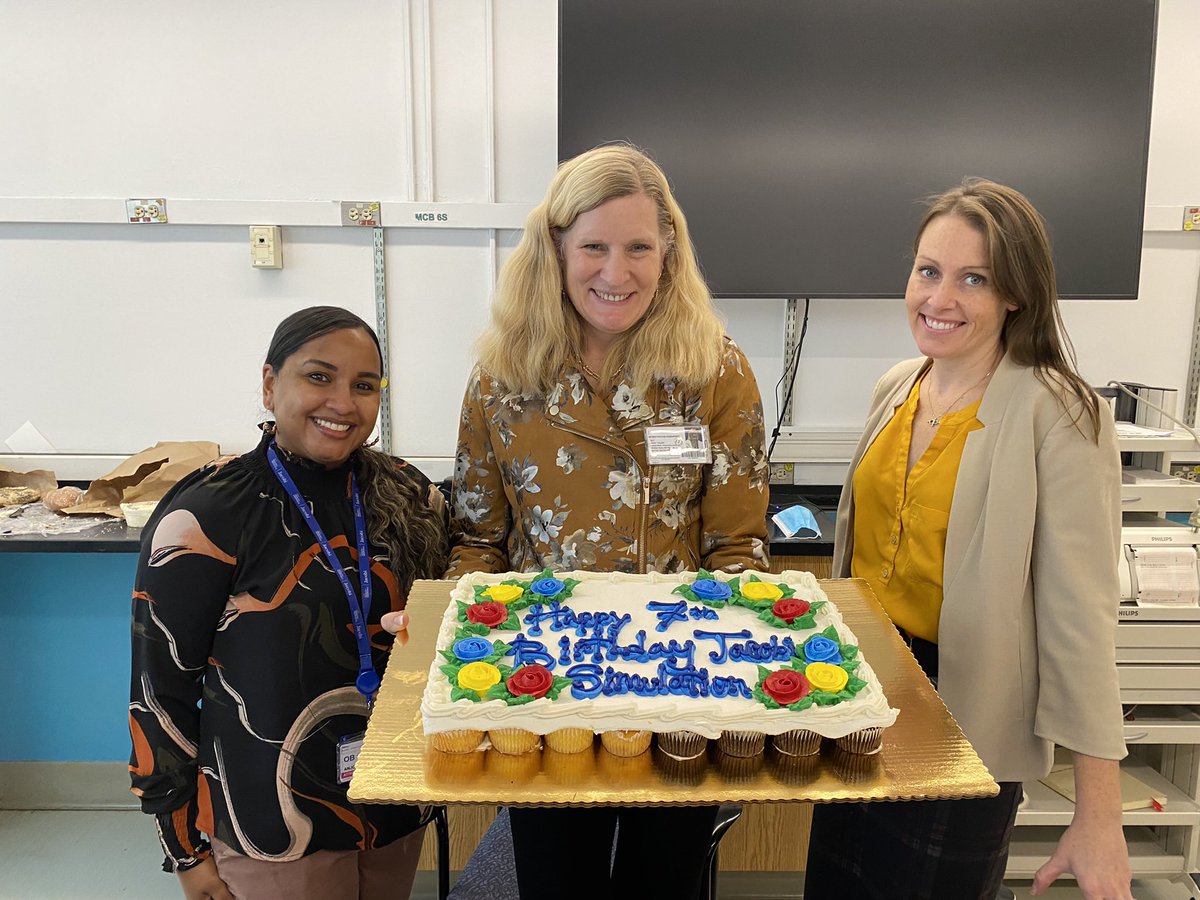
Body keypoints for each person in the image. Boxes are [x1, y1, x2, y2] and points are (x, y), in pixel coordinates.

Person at [448, 143, 770, 900]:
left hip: (678, 686)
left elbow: (736, 545)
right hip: (544, 684)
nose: (615, 273)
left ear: (669, 254)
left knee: (664, 885)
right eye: (593, 246)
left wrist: (729, 669)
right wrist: (460, 619)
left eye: (638, 248)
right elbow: (476, 543)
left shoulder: (713, 371)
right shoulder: (502, 375)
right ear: (554, 250)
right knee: (557, 883)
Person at [803, 179, 1131, 900]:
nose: (939, 298)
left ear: (1016, 293)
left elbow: (1080, 623)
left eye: (973, 279)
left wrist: (1099, 818)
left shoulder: (1061, 413)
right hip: (859, 702)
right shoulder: (897, 386)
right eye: (928, 270)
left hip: (965, 717)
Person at [129, 306, 449, 900]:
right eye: (319, 377)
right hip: (270, 819)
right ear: (271, 384)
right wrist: (182, 849)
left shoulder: (412, 496)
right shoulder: (207, 513)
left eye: (364, 385)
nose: (343, 403)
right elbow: (160, 689)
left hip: (393, 804)